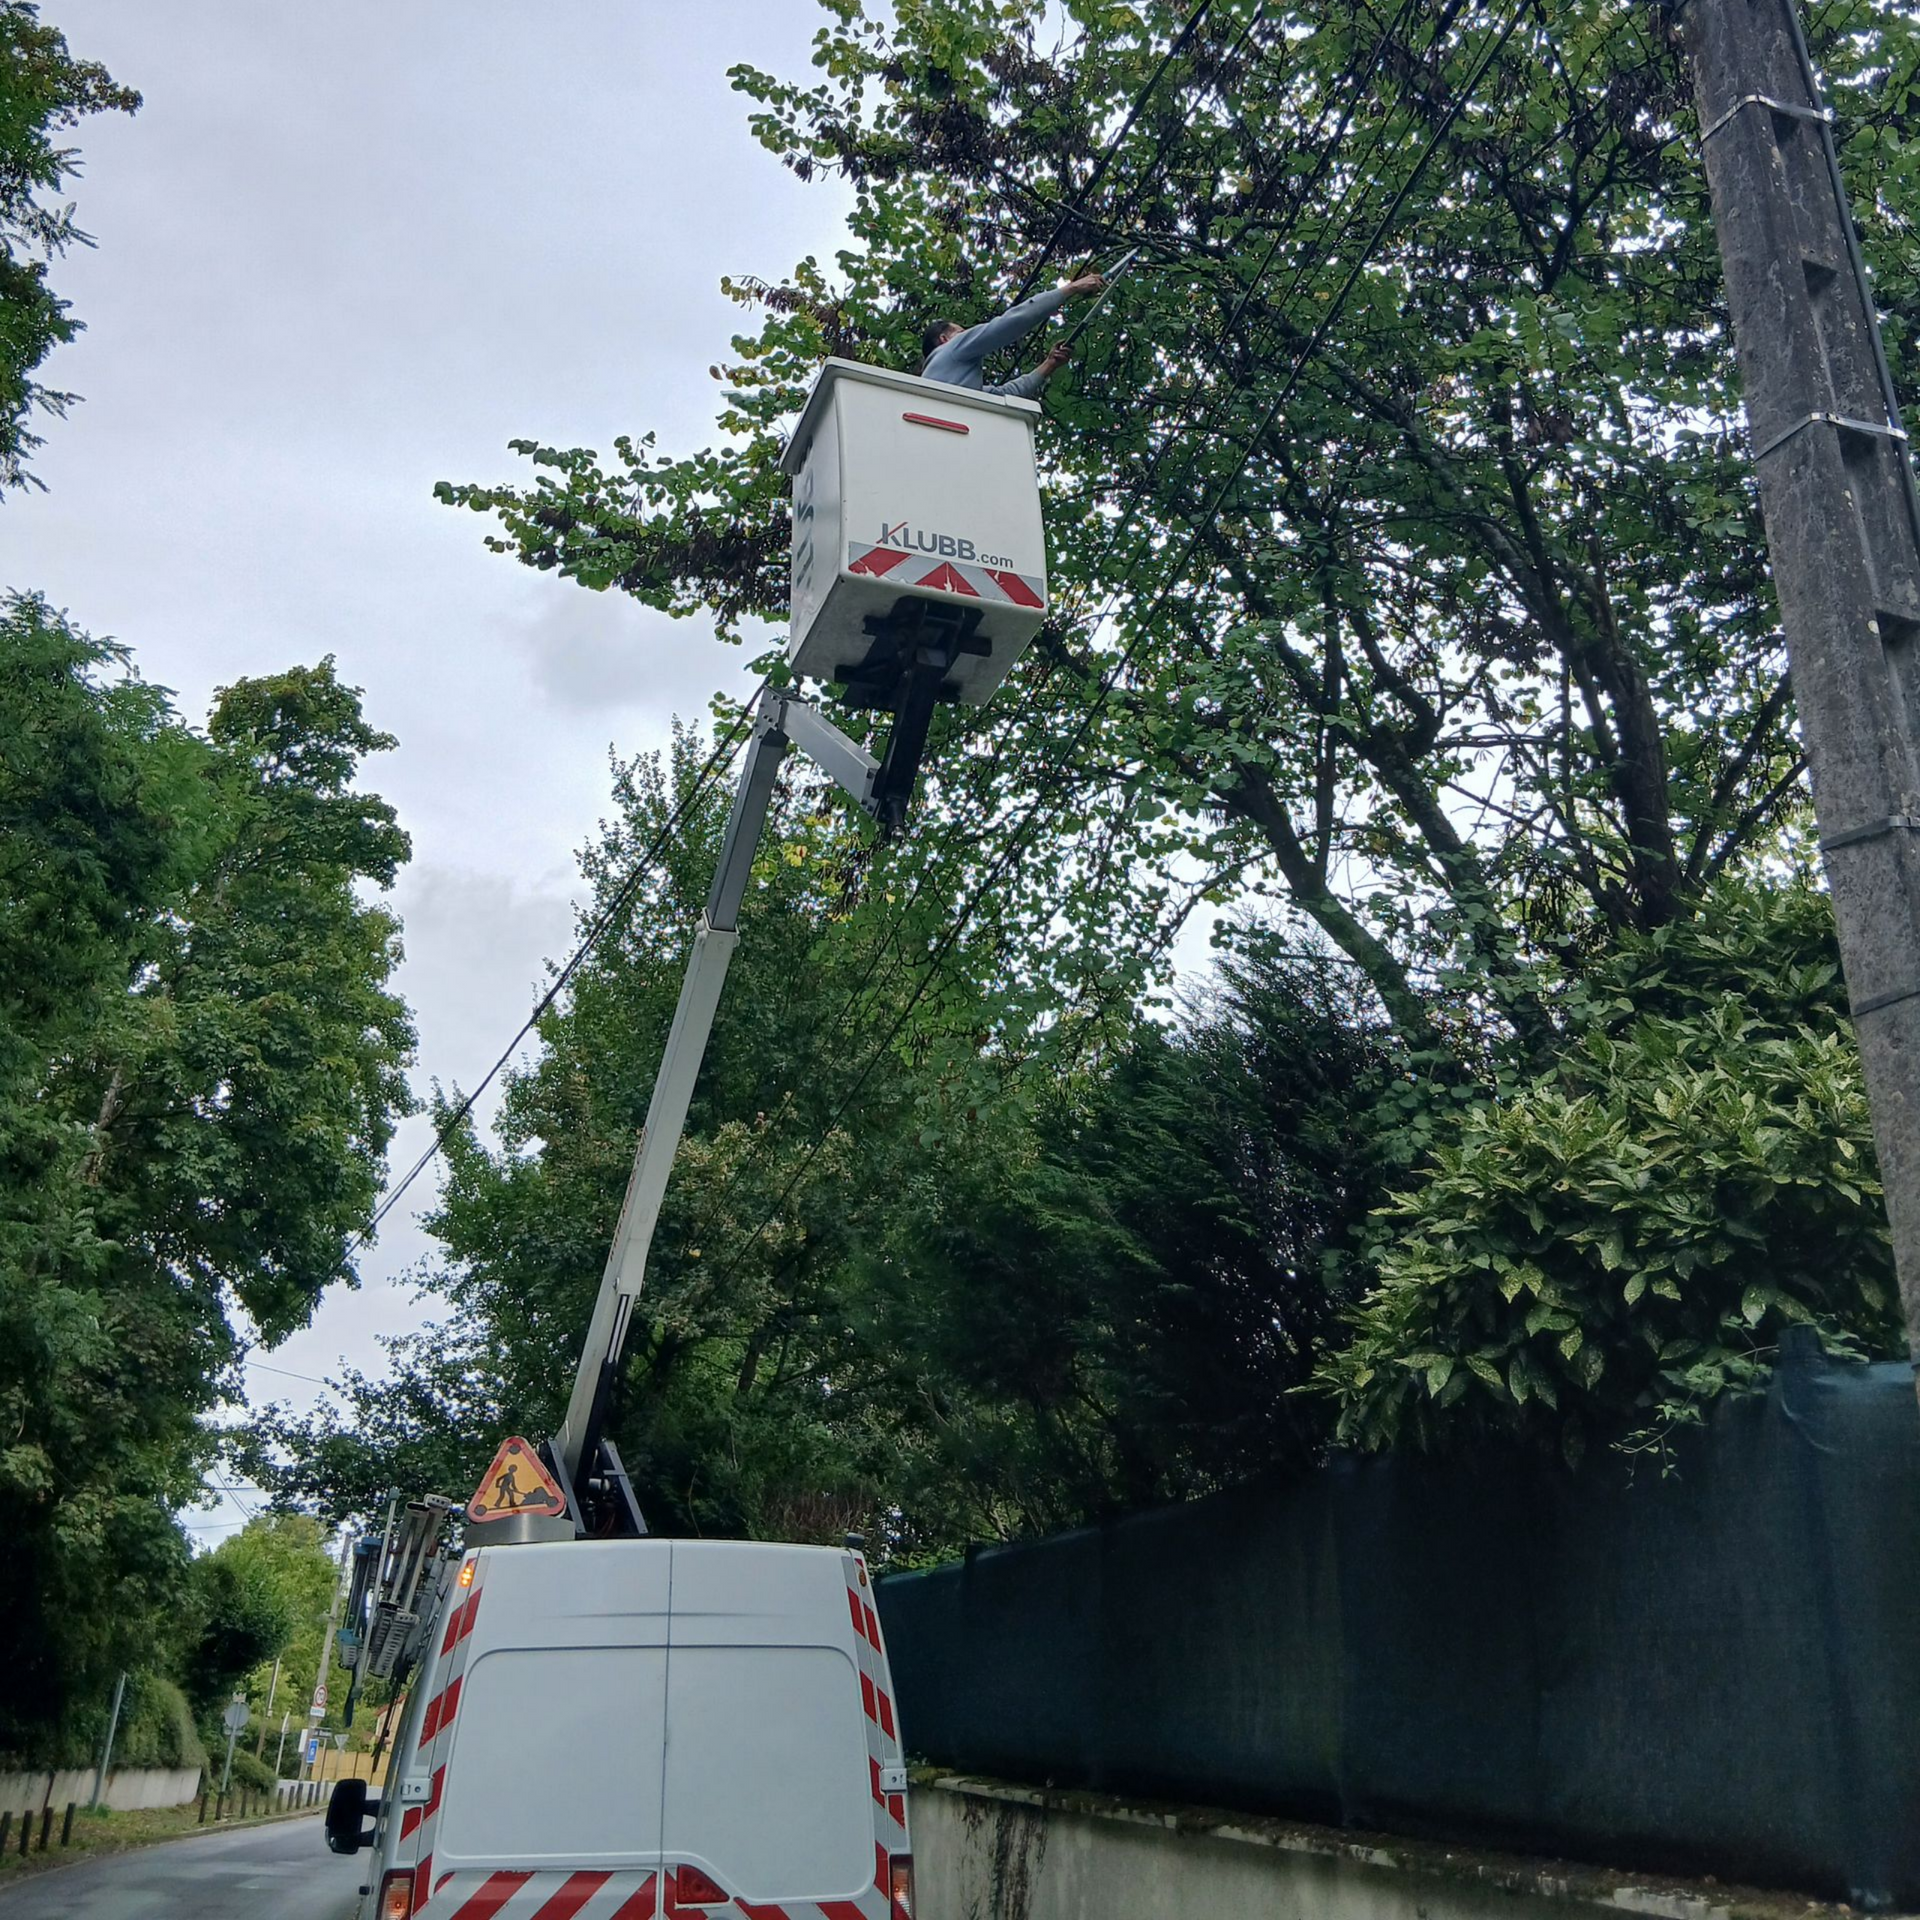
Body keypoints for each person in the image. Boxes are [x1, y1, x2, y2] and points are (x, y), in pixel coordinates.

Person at [920, 271, 1107, 398]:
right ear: (944, 339)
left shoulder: (952, 387)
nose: (966, 335)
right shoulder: (952, 349)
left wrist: (1050, 364)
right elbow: (1010, 323)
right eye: (961, 332)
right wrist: (1071, 288)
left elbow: (1007, 394)